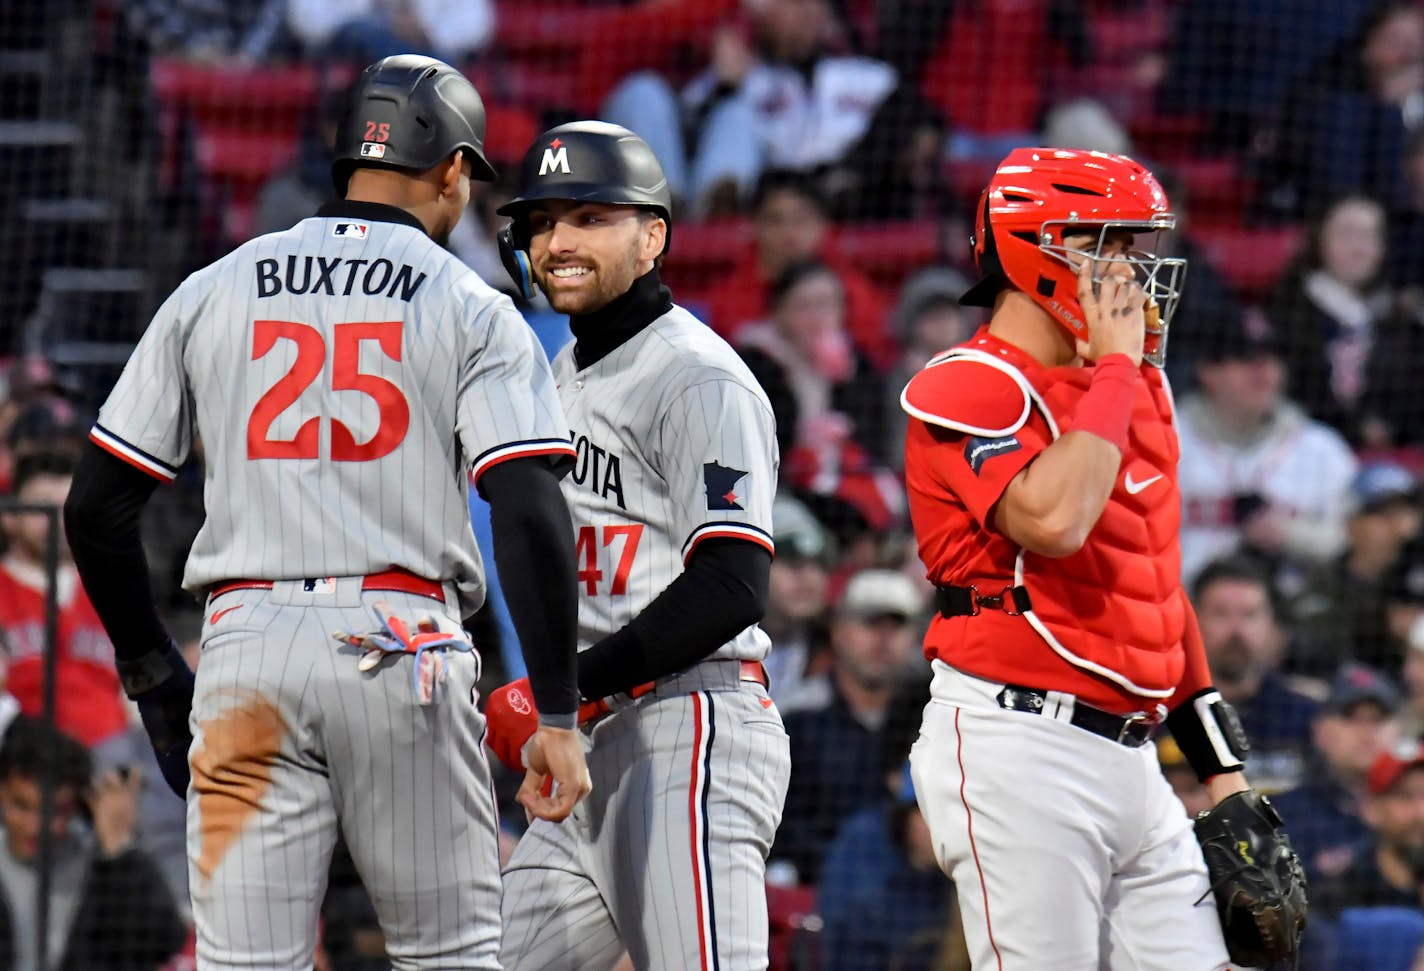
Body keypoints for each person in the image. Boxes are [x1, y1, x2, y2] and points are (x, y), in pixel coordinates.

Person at [61, 55, 591, 970]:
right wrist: (556, 705)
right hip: (402, 641)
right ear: (454, 169)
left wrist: (152, 669)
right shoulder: (471, 303)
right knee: (453, 953)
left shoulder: (213, 286)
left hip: (244, 650)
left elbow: (96, 508)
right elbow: (529, 509)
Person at [899, 147, 1301, 968]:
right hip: (1017, 744)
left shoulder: (1137, 386)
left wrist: (1223, 771)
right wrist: (1117, 368)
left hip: (1133, 757)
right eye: (1107, 245)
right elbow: (1055, 520)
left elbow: (1152, 585)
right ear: (1035, 251)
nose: (1132, 272)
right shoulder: (967, 382)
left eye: (1136, 248)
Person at [485, 121, 791, 971]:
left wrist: (566, 689)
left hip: (691, 726)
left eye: (590, 217)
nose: (558, 242)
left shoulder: (699, 374)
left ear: (653, 236)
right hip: (594, 736)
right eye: (544, 222)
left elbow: (734, 582)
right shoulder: (559, 374)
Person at [1175, 307, 1357, 585]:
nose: (1262, 371)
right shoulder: (1171, 440)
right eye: (1245, 358)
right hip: (1184, 608)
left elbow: (1355, 540)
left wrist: (1290, 534)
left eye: (1272, 358)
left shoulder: (1321, 449)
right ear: (1208, 371)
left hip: (1293, 613)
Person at [0, 714, 188, 971]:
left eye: (55, 812)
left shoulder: (102, 870)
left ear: (78, 807)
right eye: (21, 806)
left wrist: (120, 851)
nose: (35, 827)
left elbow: (163, 940)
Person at [1192, 556, 1319, 793]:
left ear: (1271, 626)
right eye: (1221, 614)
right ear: (1193, 622)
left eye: (1249, 615)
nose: (1236, 629)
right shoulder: (1164, 714)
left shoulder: (1307, 717)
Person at [1271, 663, 1400, 884]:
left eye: (1378, 718)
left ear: (1398, 729)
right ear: (1320, 731)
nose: (1367, 732)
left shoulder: (1414, 809)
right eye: (1351, 717)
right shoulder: (1286, 814)